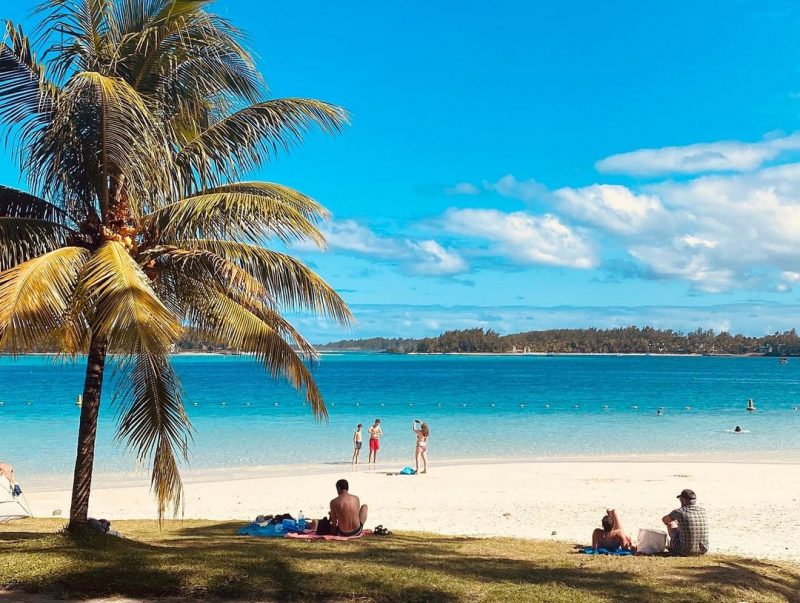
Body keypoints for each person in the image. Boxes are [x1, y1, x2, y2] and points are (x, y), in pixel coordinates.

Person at [662, 488, 709, 556]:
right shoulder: (703, 511)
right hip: (703, 550)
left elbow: (664, 520)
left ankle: (673, 547)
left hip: (684, 551)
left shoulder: (679, 512)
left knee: (671, 523)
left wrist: (676, 522)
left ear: (682, 500)